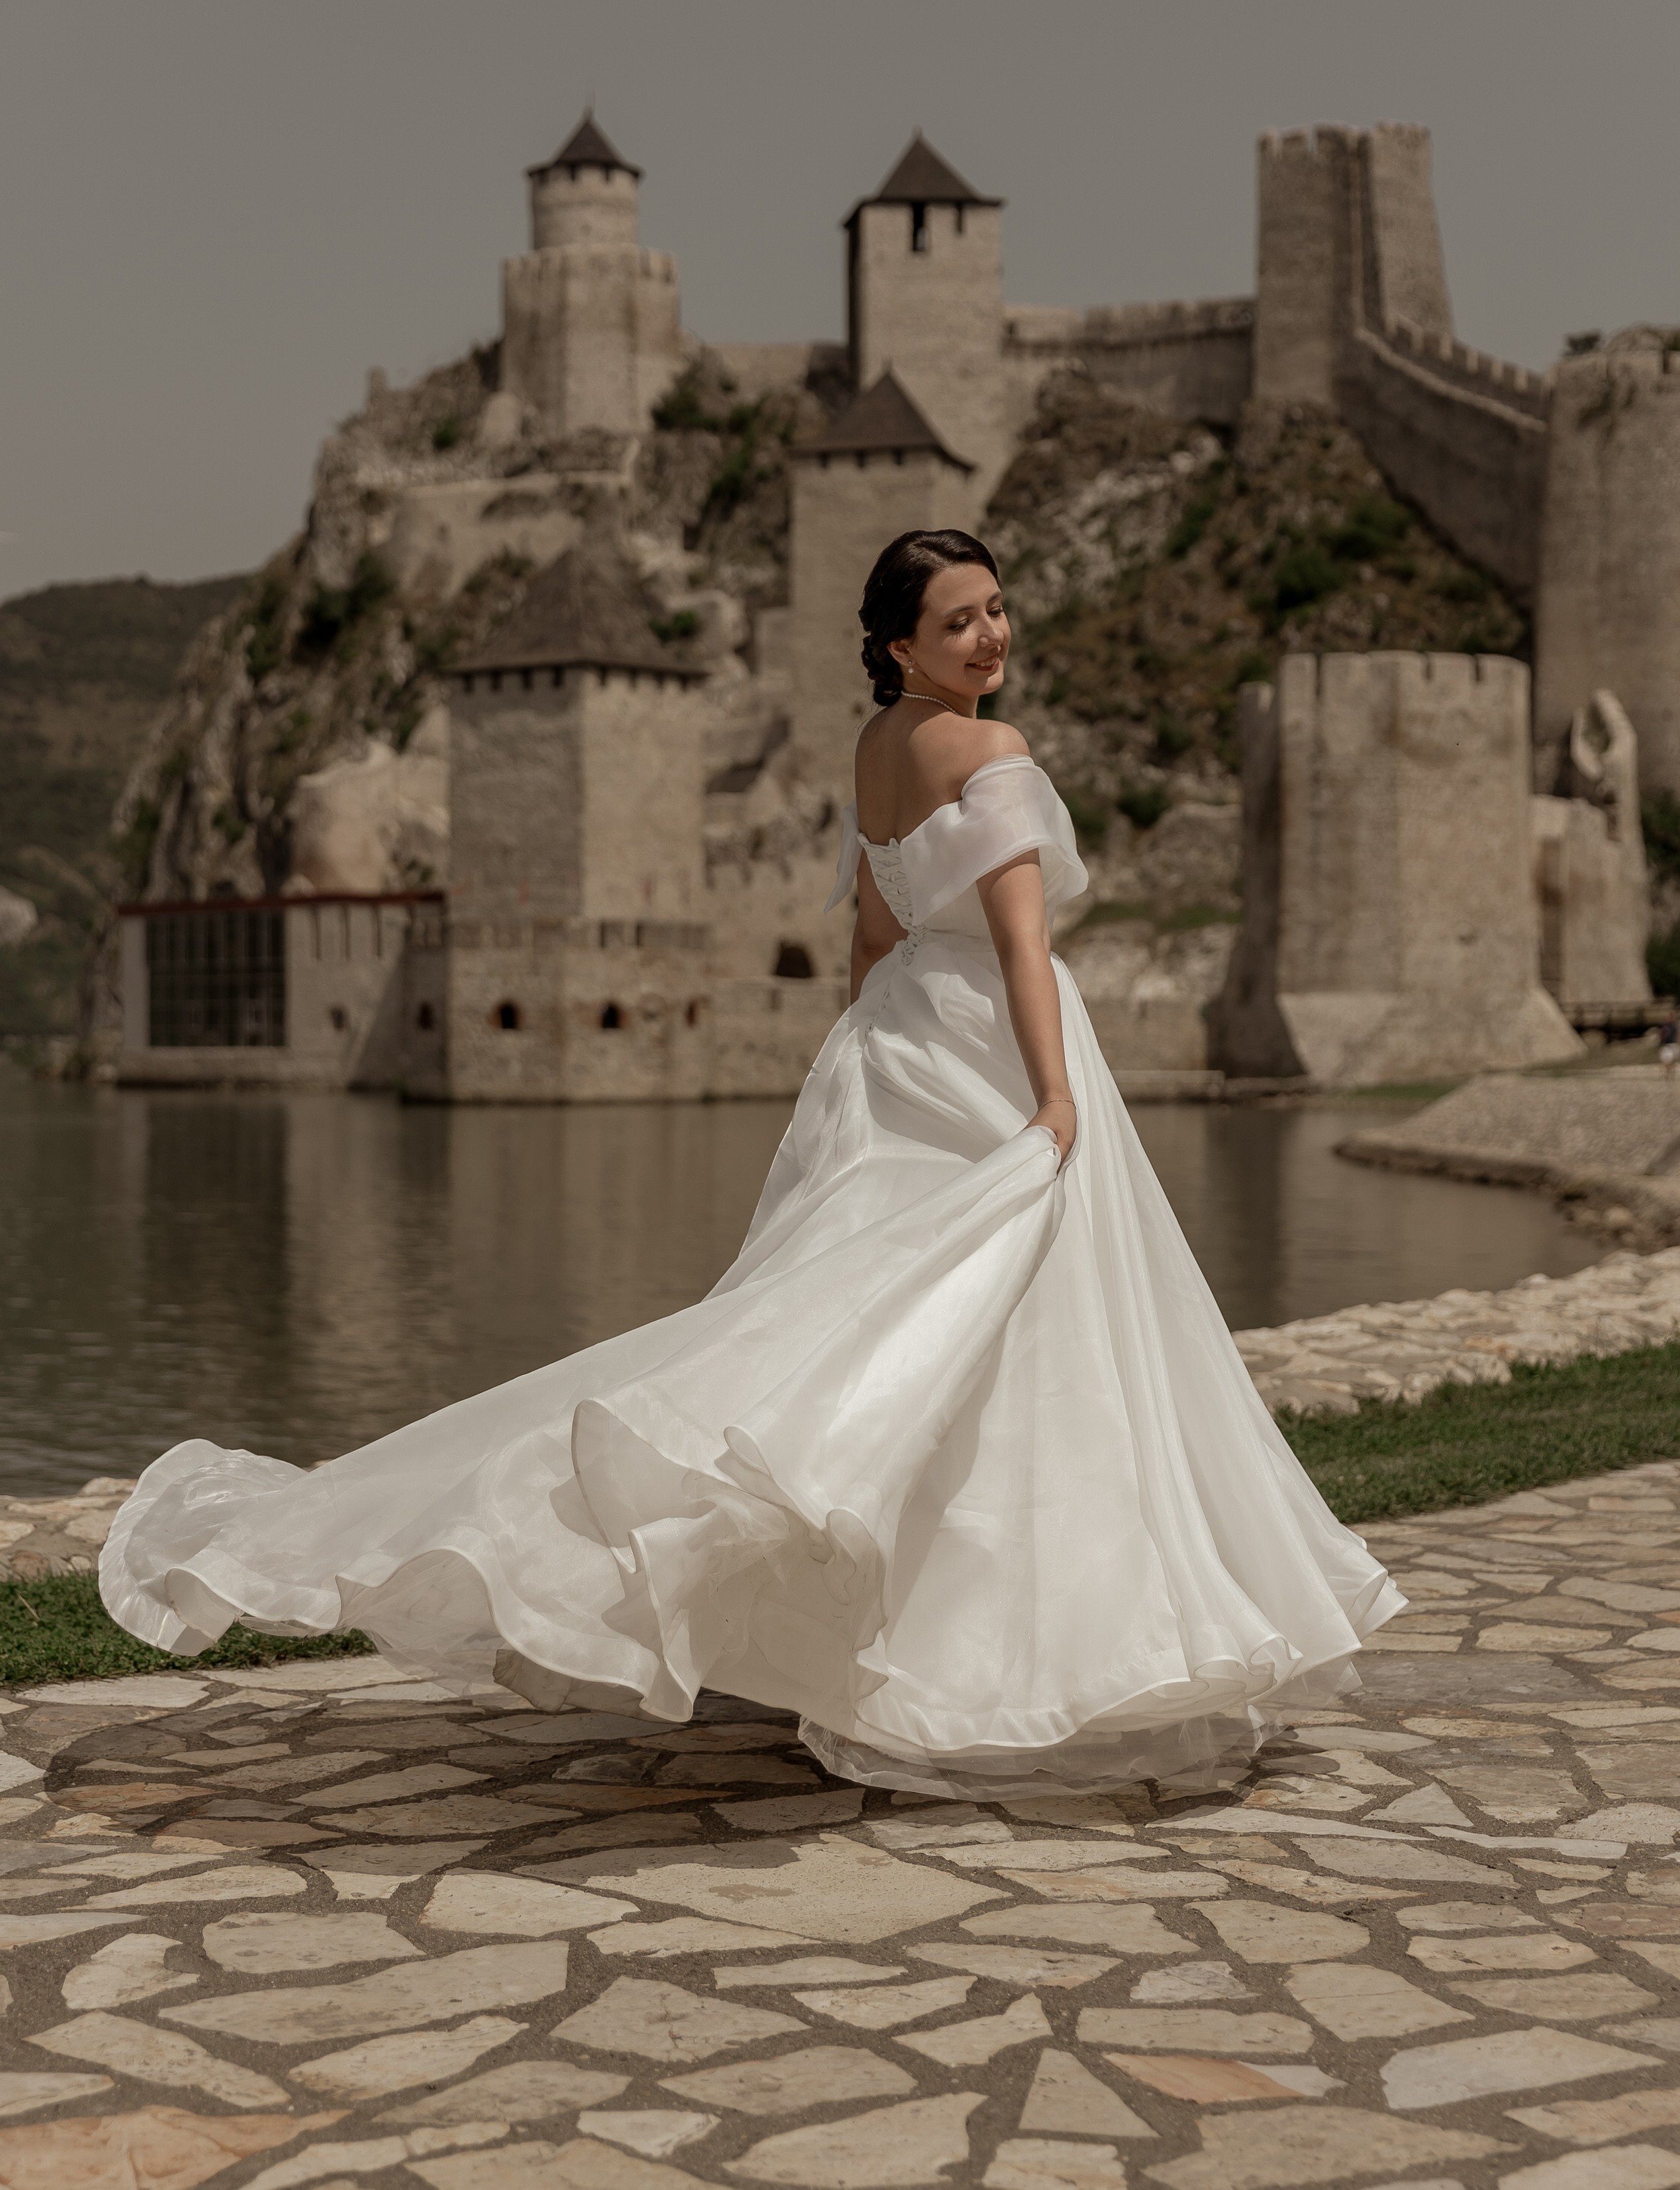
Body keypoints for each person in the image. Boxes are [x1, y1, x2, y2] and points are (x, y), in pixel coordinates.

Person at [101, 527, 1400, 1799]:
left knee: (865, 1318)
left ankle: (876, 1618)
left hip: (896, 1042)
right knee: (1014, 1333)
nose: (991, 634)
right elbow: (1018, 948)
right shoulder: (992, 753)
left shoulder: (876, 748)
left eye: (997, 609)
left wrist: (855, 1057)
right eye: (960, 620)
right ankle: (995, 1651)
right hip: (997, 1048)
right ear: (900, 645)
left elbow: (873, 929)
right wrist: (1056, 1098)